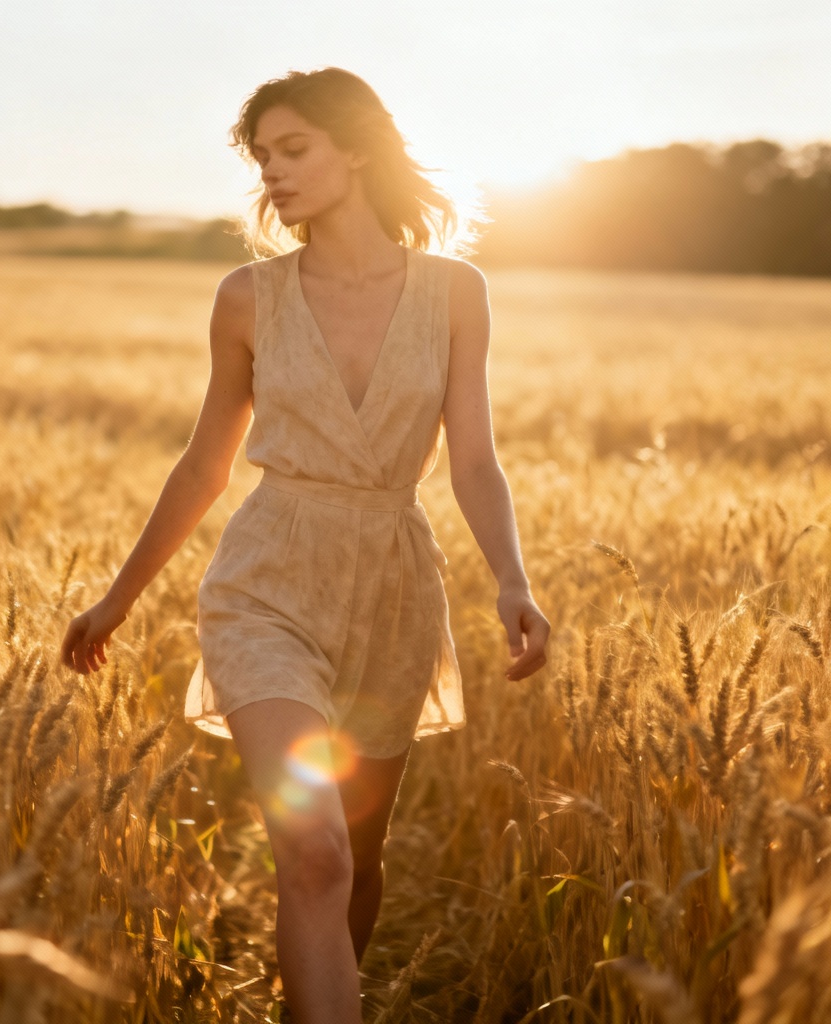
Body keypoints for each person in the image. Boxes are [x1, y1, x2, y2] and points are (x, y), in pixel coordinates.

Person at [60, 67, 549, 1024]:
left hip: (392, 585)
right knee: (315, 847)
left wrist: (512, 583)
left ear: (356, 148)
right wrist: (116, 599)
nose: (273, 175)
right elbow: (205, 462)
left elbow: (476, 461)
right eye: (262, 158)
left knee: (357, 859)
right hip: (267, 581)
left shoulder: (456, 293)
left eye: (294, 150)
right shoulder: (249, 297)